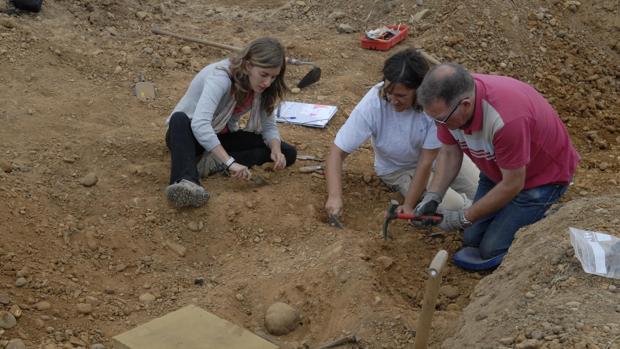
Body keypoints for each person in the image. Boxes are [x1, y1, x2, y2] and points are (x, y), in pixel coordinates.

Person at [415, 63, 580, 270]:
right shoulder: (450, 108)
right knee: (472, 238)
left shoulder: (506, 120)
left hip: (540, 180)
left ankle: (548, 218)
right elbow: (449, 152)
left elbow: (513, 184)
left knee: (491, 250)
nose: (440, 125)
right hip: (497, 170)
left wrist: (462, 217)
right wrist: (433, 196)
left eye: (441, 120)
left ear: (465, 105)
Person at [324, 49, 479, 220]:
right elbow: (336, 152)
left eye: (401, 95)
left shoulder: (432, 104)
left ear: (419, 91)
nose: (392, 99)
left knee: (480, 188)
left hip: (439, 156)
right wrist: (334, 196)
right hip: (400, 169)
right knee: (453, 206)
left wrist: (409, 205)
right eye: (388, 91)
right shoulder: (373, 105)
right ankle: (476, 219)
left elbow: (426, 160)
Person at [164, 37, 297, 208]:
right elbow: (200, 124)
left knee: (288, 152)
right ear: (248, 66)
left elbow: (269, 127)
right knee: (179, 119)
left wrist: (276, 150)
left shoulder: (264, 87)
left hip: (220, 134)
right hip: (187, 137)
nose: (268, 82)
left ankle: (212, 163)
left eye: (273, 77)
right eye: (264, 75)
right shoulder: (221, 76)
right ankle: (187, 181)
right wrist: (230, 162)